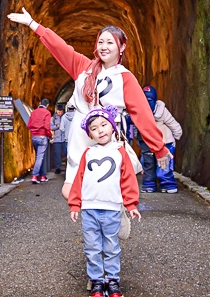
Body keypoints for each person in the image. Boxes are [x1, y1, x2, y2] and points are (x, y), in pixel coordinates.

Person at [6, 7, 172, 198]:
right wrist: (33, 24)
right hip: (81, 138)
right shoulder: (83, 67)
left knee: (107, 193)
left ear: (122, 47)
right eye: (101, 42)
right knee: (71, 192)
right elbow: (61, 48)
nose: (104, 46)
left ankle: (113, 221)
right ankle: (99, 221)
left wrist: (159, 148)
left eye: (110, 42)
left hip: (107, 139)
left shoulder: (125, 78)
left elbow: (142, 116)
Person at [68, 106, 140, 297]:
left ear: (112, 127)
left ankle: (113, 281)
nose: (100, 130)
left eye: (104, 124)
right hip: (90, 209)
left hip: (111, 209)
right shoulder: (88, 153)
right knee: (91, 247)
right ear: (89, 134)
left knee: (111, 246)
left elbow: (128, 179)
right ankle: (97, 281)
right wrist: (75, 203)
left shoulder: (120, 152)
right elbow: (79, 179)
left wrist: (131, 203)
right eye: (94, 128)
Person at [139, 85, 182, 193]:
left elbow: (172, 123)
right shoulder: (139, 111)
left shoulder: (162, 111)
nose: (147, 103)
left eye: (149, 100)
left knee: (164, 166)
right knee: (148, 165)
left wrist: (177, 135)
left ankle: (168, 184)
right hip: (148, 143)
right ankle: (149, 184)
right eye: (144, 100)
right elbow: (136, 126)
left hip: (165, 143)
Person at [26, 98, 53, 183]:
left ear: (40, 103)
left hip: (34, 136)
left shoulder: (33, 112)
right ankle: (34, 176)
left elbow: (29, 125)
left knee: (39, 157)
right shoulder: (47, 113)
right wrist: (50, 135)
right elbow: (46, 126)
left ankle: (42, 176)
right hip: (42, 136)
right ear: (47, 105)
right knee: (40, 157)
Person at [50, 103, 67, 174]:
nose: (60, 113)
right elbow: (50, 127)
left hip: (65, 139)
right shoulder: (53, 118)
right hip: (57, 139)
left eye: (61, 112)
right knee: (57, 154)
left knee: (67, 153)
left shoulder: (66, 117)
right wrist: (57, 126)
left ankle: (68, 167)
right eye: (58, 111)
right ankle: (58, 168)